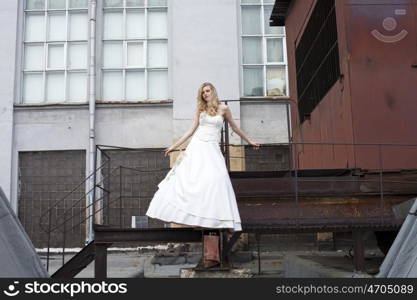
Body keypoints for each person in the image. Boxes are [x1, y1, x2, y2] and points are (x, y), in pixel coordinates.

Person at [146, 82, 260, 265]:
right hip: (198, 146)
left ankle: (220, 218)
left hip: (212, 149)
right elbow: (190, 132)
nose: (205, 94)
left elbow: (235, 128)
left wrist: (250, 141)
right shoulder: (201, 111)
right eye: (202, 92)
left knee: (218, 179)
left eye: (207, 91)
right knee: (193, 180)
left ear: (213, 91)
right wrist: (174, 147)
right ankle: (198, 216)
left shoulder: (224, 109)